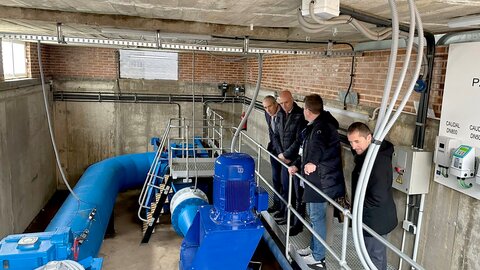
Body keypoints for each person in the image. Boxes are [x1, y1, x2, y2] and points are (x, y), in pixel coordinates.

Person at [289, 94, 345, 269]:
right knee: (315, 217)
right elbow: (305, 150)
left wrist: (311, 162)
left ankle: (319, 258)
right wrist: (299, 165)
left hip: (321, 181)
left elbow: (317, 147)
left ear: (307, 109)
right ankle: (313, 249)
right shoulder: (317, 125)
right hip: (317, 179)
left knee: (317, 217)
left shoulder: (321, 128)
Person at [347, 122, 397, 270]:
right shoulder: (371, 153)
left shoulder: (377, 162)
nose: (353, 146)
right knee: (374, 255)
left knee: (374, 256)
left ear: (369, 137)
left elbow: (378, 197)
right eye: (351, 142)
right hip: (373, 217)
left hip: (374, 220)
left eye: (357, 141)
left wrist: (356, 207)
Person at [273, 90, 307, 235]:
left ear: (292, 99)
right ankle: (287, 216)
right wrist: (280, 153)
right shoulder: (280, 114)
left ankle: (297, 224)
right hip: (283, 160)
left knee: (298, 195)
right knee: (286, 189)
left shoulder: (300, 115)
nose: (284, 105)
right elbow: (275, 135)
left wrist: (287, 155)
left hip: (294, 161)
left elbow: (299, 140)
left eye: (286, 102)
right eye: (280, 103)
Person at [262, 95, 284, 214]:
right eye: (265, 107)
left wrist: (282, 153)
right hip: (274, 150)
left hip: (285, 153)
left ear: (276, 104)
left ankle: (284, 208)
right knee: (276, 178)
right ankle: (277, 203)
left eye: (270, 106)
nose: (268, 110)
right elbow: (272, 132)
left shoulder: (284, 114)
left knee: (284, 181)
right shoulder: (267, 114)